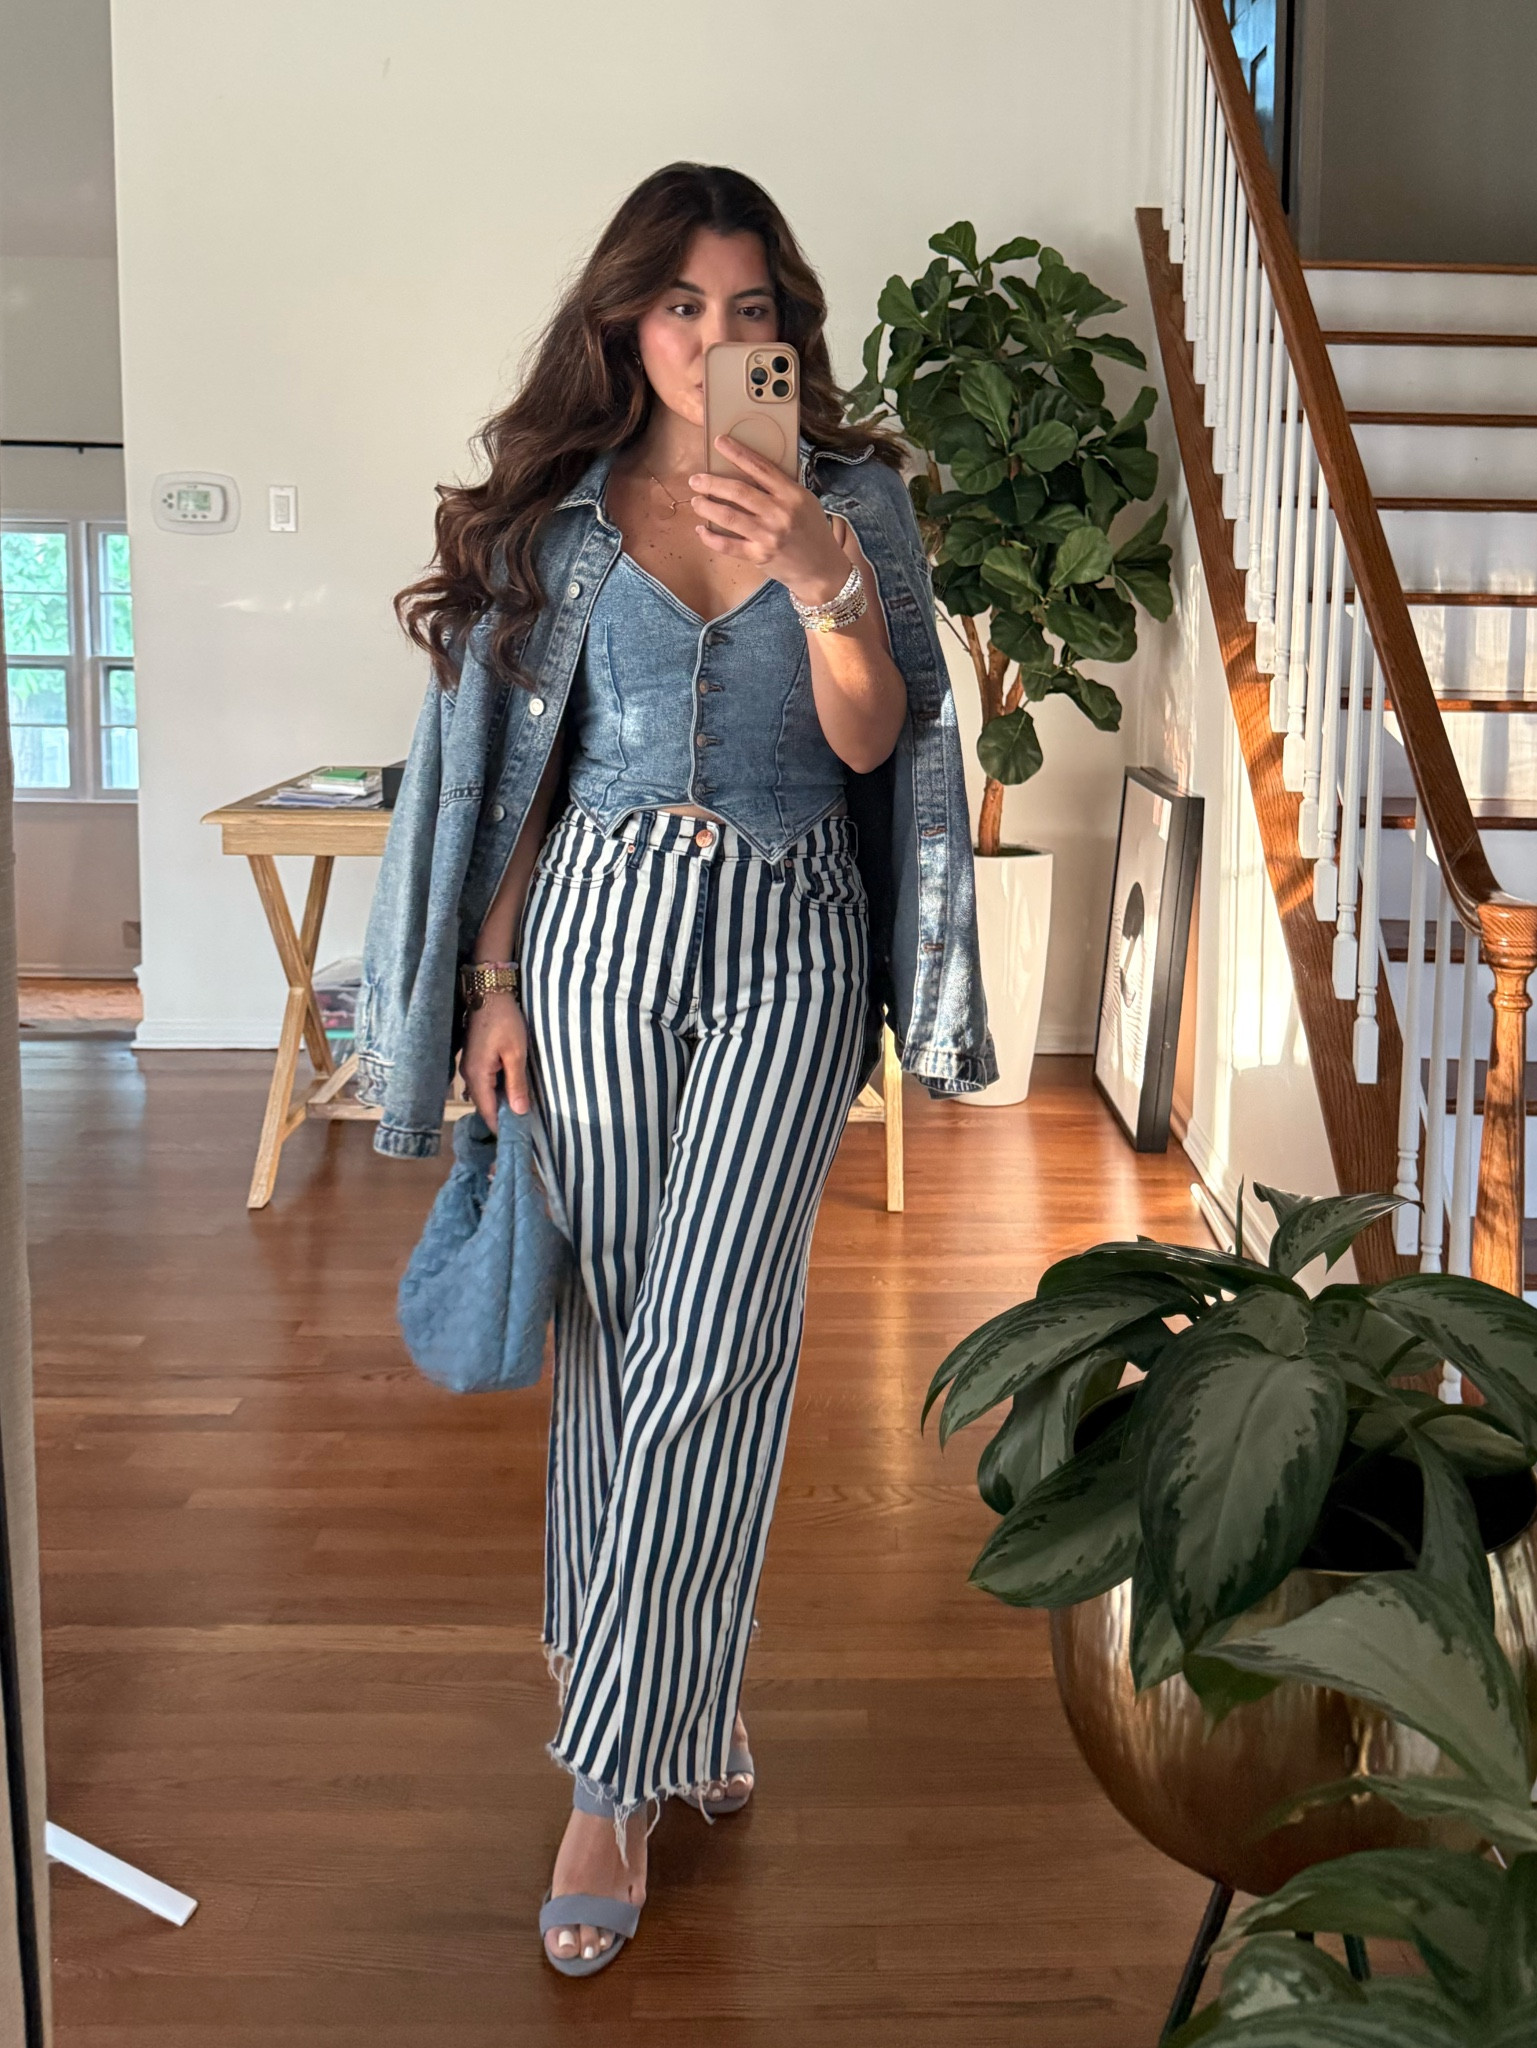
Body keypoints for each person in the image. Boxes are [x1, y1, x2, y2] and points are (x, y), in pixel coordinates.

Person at [356, 162, 995, 1976]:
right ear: (624, 321)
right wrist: (490, 982)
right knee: (613, 1343)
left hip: (792, 930)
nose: (715, 339)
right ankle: (685, 1713)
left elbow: (875, 744)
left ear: (785, 328)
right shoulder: (558, 515)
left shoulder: (853, 500)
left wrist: (821, 580)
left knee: (719, 1342)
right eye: (680, 307)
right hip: (594, 941)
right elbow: (516, 773)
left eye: (748, 311)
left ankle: (605, 1772)